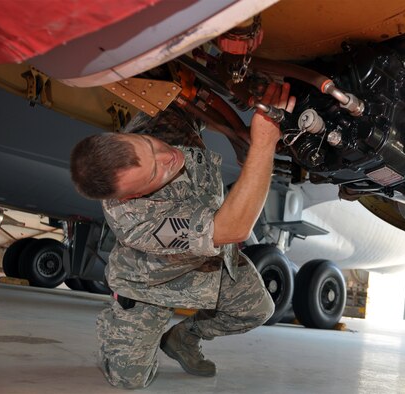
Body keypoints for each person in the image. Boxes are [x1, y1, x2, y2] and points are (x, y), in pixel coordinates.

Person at [70, 82, 296, 389]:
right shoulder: (135, 220)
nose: (169, 158)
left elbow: (196, 97)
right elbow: (233, 229)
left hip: (206, 265)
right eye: (154, 174)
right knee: (129, 379)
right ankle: (121, 326)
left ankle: (183, 339)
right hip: (150, 287)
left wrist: (245, 112)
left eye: (150, 145)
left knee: (258, 310)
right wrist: (263, 143)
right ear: (129, 197)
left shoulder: (156, 122)